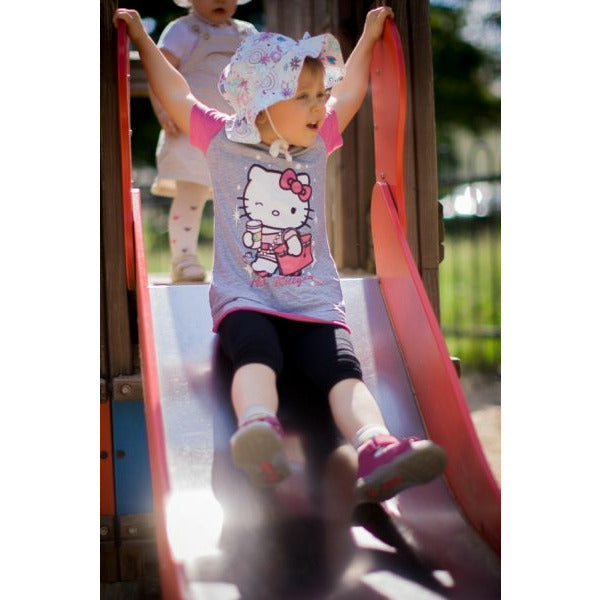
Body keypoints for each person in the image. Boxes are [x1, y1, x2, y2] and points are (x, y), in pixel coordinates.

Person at [114, 6, 447, 503]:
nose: (321, 106)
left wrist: (371, 37)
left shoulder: (316, 144)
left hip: (314, 303)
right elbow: (177, 93)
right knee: (256, 355)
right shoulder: (222, 138)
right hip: (245, 297)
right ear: (264, 104)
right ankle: (257, 430)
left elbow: (353, 90)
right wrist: (141, 35)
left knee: (343, 372)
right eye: (306, 97)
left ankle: (375, 445)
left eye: (321, 95)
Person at [149, 0, 257, 283]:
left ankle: (245, 262)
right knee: (191, 195)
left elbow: (261, 76)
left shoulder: (247, 34)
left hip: (236, 131)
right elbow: (159, 72)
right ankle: (183, 259)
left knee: (245, 200)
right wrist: (163, 109)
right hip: (189, 128)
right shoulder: (182, 30)